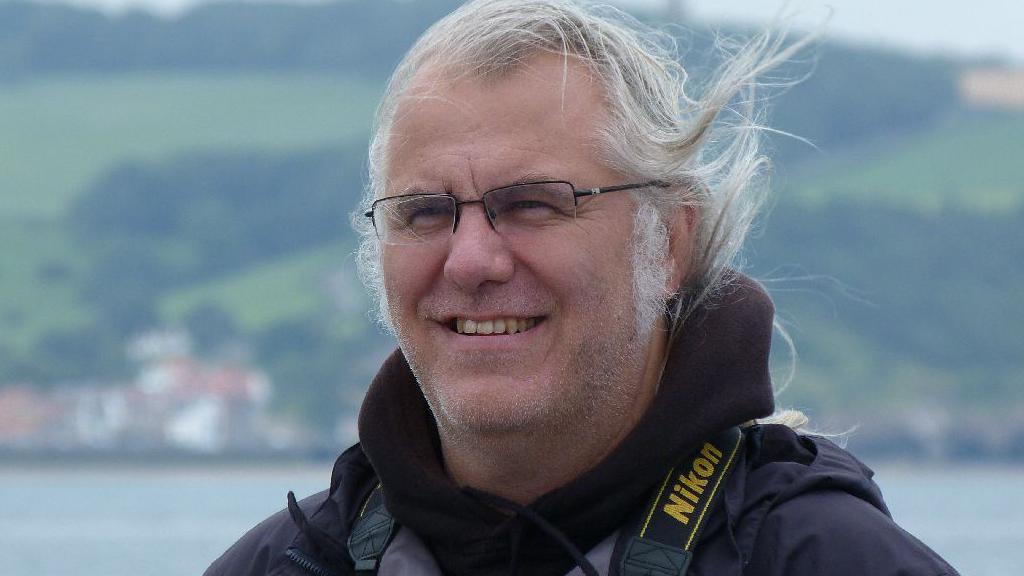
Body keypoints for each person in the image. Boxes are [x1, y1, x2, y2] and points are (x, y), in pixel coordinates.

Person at [206, 1, 959, 575]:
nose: (471, 261)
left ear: (667, 243)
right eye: (425, 212)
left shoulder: (829, 559)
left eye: (532, 203)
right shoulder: (285, 564)